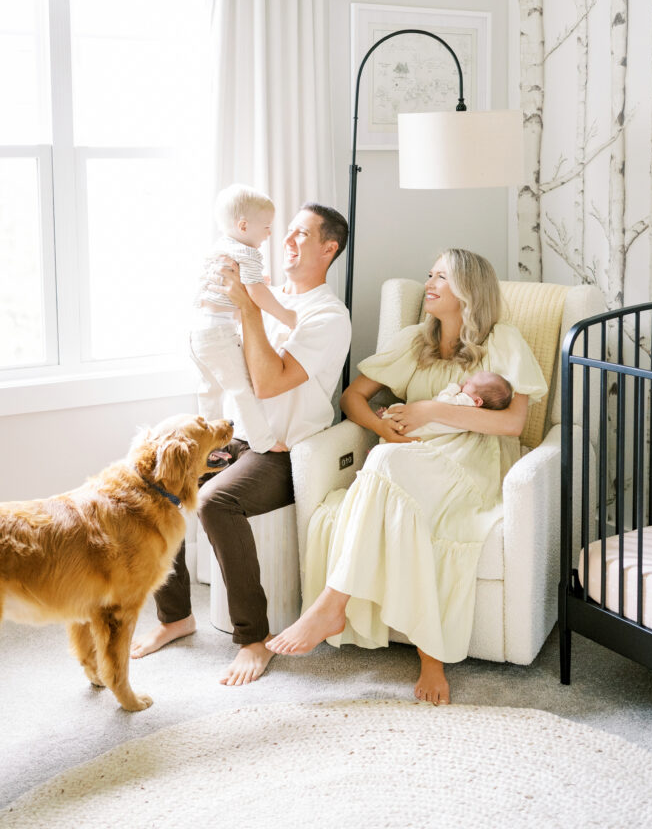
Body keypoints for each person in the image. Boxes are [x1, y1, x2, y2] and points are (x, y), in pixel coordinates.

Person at [267, 248, 547, 707]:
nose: (429, 284)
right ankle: (428, 655)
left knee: (384, 466)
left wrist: (432, 410)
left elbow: (513, 424)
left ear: (469, 290)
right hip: (409, 455)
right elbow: (353, 398)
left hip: (470, 463)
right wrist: (382, 429)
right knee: (389, 473)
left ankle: (332, 605)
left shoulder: (503, 340)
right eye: (429, 274)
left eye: (442, 277)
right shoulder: (414, 341)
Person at [131, 203, 351, 687]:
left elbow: (269, 383)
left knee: (215, 502)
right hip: (237, 437)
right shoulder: (264, 294)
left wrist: (249, 306)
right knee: (153, 485)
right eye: (287, 231)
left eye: (301, 234)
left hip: (284, 452)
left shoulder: (328, 317)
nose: (287, 240)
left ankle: (254, 638)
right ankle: (175, 617)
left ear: (329, 248)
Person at [190, 183, 296, 454]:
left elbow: (225, 295)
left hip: (196, 332)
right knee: (242, 389)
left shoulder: (219, 248)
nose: (270, 233)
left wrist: (257, 283)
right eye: (267, 226)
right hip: (218, 334)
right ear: (244, 226)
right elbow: (257, 295)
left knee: (209, 390)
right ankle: (264, 441)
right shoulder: (247, 253)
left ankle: (209, 447)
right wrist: (287, 316)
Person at [379, 370, 513, 439]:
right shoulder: (474, 413)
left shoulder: (466, 401)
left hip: (428, 424)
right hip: (431, 425)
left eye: (469, 383)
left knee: (399, 414)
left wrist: (453, 388)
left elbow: (443, 402)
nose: (466, 381)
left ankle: (384, 416)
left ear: (478, 401)